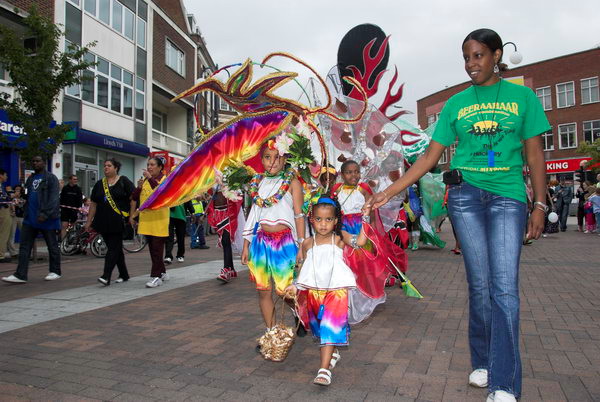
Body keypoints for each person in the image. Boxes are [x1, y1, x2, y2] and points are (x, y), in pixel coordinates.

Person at [364, 29, 550, 402]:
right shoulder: (456, 104)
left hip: (507, 197)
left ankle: (504, 383)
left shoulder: (523, 98)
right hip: (464, 198)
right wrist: (387, 192)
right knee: (480, 286)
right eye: (466, 57)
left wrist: (541, 205)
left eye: (478, 56)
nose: (471, 64)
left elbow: (534, 155)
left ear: (497, 55)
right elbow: (430, 158)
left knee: (505, 289)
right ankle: (482, 361)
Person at [284, 198, 369, 386]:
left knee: (329, 327)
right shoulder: (306, 243)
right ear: (312, 220)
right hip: (314, 292)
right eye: (319, 219)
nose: (323, 224)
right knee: (319, 328)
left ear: (336, 221)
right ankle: (332, 352)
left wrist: (366, 217)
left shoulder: (340, 238)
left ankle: (323, 370)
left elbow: (361, 241)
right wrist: (295, 284)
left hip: (337, 290)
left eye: (328, 219)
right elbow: (304, 267)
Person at [241, 142, 306, 335]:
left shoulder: (293, 182)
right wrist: (246, 245)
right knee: (263, 290)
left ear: (285, 159)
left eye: (277, 157)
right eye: (268, 157)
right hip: (261, 242)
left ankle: (299, 312)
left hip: (284, 243)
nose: (273, 161)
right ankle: (271, 333)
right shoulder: (257, 183)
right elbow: (254, 215)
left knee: (285, 290)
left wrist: (301, 246)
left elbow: (299, 216)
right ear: (262, 160)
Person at [2, 156, 62, 283]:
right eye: (33, 161)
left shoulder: (51, 178)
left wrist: (45, 214)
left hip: (47, 219)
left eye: (38, 161)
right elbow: (29, 195)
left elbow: (54, 199)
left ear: (44, 163)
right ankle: (21, 275)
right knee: (24, 246)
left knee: (52, 246)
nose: (35, 163)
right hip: (30, 218)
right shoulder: (31, 178)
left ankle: (55, 271)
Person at [86, 159, 135, 286]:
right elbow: (93, 204)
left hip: (118, 221)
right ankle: (124, 274)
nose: (106, 168)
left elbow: (133, 199)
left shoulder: (124, 181)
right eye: (105, 166)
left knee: (113, 248)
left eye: (109, 166)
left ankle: (106, 275)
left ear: (116, 168)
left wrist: (132, 215)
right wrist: (88, 221)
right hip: (102, 221)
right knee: (115, 248)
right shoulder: (99, 184)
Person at [130, 157, 170, 288]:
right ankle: (162, 271)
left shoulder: (165, 180)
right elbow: (134, 197)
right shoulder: (146, 180)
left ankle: (156, 276)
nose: (149, 167)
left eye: (152, 165)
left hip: (159, 220)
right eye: (148, 165)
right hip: (146, 220)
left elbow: (160, 193)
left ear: (160, 167)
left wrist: (150, 179)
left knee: (157, 249)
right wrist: (139, 186)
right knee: (153, 249)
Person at [206, 188, 242, 283]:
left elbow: (238, 195)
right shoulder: (209, 179)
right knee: (225, 242)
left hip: (229, 213)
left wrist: (231, 192)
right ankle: (231, 270)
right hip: (217, 214)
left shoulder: (230, 178)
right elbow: (209, 197)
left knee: (226, 240)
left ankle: (226, 270)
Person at [60, 175, 83, 240]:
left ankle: (72, 240)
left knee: (73, 226)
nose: (76, 180)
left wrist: (79, 208)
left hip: (74, 210)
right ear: (70, 180)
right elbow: (61, 198)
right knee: (64, 226)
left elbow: (80, 199)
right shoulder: (65, 188)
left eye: (76, 179)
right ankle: (63, 241)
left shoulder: (78, 189)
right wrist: (61, 206)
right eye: (74, 179)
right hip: (65, 210)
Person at [7, 185, 25, 258]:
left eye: (19, 190)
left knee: (24, 234)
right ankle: (13, 252)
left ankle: (24, 250)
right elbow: (10, 203)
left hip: (22, 216)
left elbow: (23, 205)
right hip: (13, 216)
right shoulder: (11, 195)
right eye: (16, 189)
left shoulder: (24, 196)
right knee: (12, 234)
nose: (17, 191)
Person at [0, 169, 12, 262]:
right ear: (1, 175)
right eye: (5, 175)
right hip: (2, 211)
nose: (6, 177)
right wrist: (12, 195)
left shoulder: (2, 186)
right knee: (4, 233)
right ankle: (1, 255)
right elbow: (2, 198)